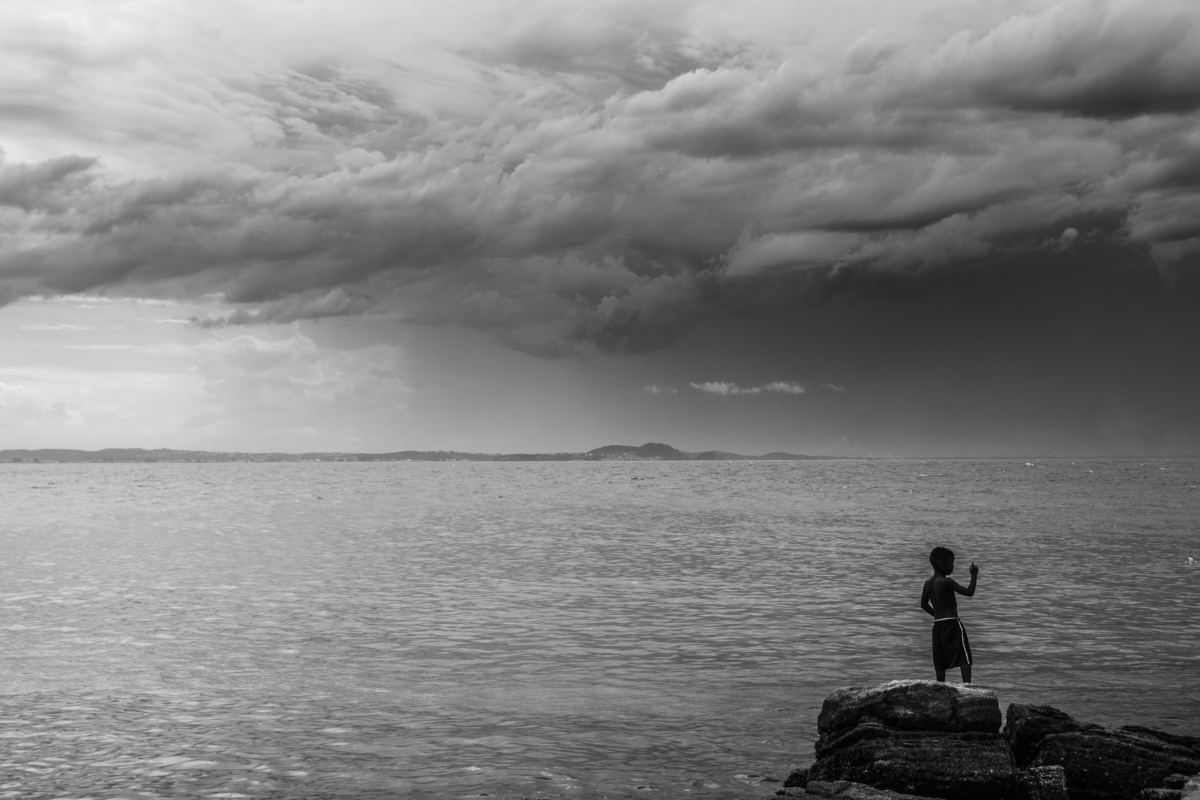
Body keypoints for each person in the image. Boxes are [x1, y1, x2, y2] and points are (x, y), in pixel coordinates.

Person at [920, 547, 978, 683]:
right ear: (942, 565)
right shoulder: (947, 582)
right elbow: (969, 592)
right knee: (964, 656)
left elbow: (923, 604)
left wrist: (937, 615)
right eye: (951, 563)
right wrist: (974, 575)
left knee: (940, 661)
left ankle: (940, 687)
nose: (953, 566)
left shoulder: (928, 583)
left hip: (938, 625)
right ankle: (967, 687)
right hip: (952, 624)